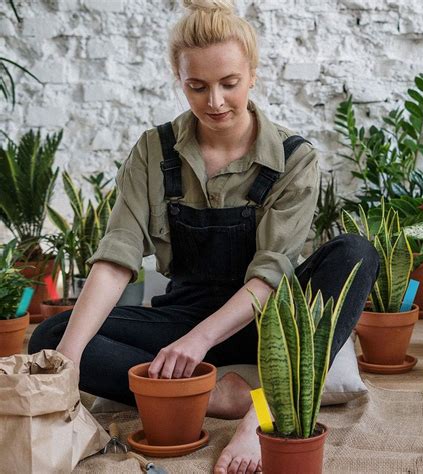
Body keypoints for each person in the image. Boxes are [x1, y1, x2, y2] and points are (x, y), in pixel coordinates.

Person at [29, 1, 379, 473]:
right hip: (184, 314)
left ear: (252, 75)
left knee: (356, 252)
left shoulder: (294, 159)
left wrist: (196, 343)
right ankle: (216, 395)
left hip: (267, 323)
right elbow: (116, 259)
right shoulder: (154, 151)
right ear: (180, 79)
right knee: (52, 337)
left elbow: (272, 275)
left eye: (229, 84)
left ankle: (263, 411)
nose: (214, 101)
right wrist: (64, 371)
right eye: (197, 86)